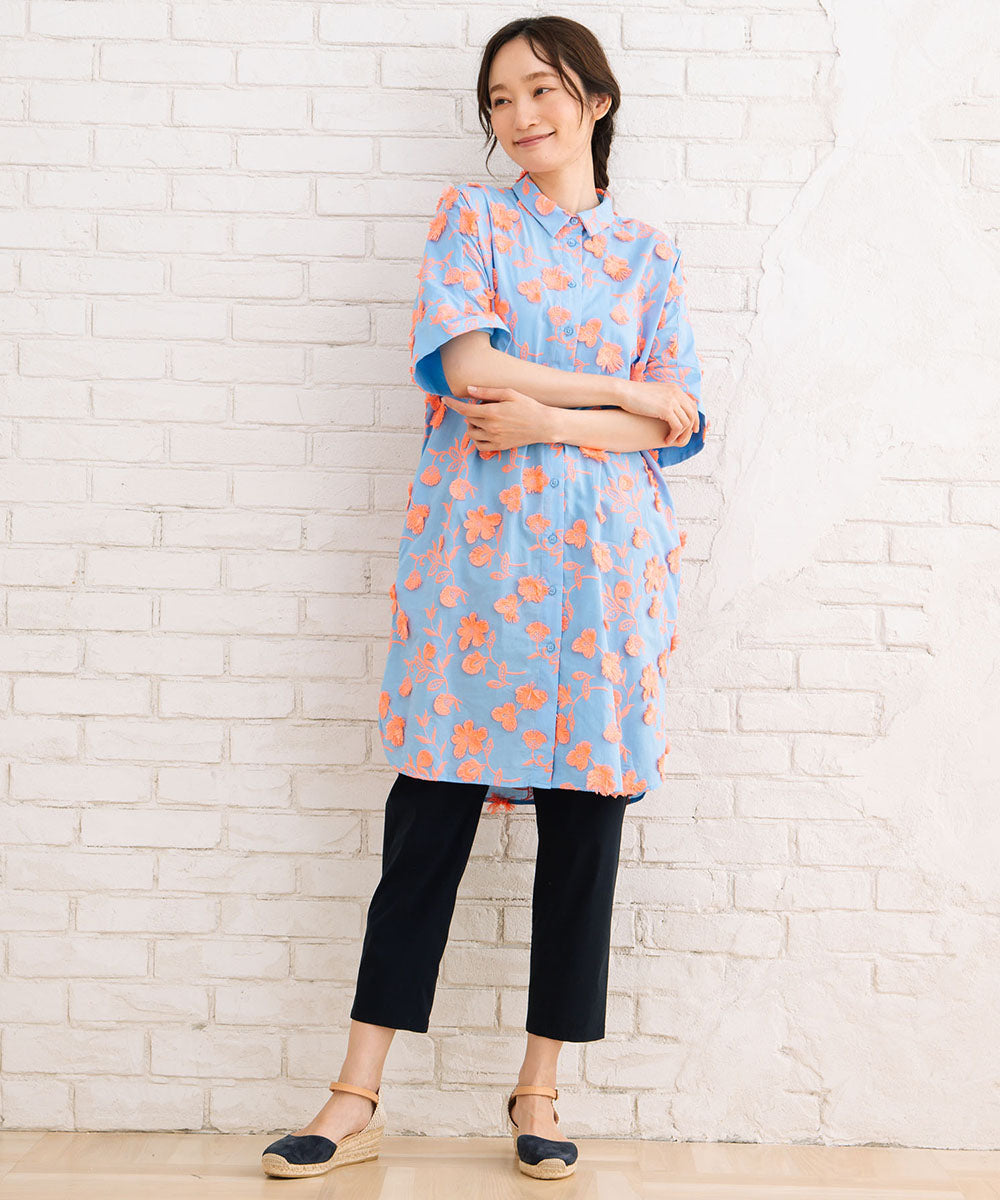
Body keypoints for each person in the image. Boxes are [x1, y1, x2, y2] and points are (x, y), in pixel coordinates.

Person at [261, 12, 707, 1182]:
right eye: (500, 99)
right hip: (479, 573)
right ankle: (356, 1092)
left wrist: (556, 415)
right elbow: (470, 368)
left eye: (542, 90)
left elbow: (677, 424)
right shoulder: (471, 221)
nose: (520, 116)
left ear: (595, 101)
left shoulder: (650, 255)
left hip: (607, 580)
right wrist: (619, 392)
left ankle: (539, 1087)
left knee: (584, 831)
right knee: (427, 822)